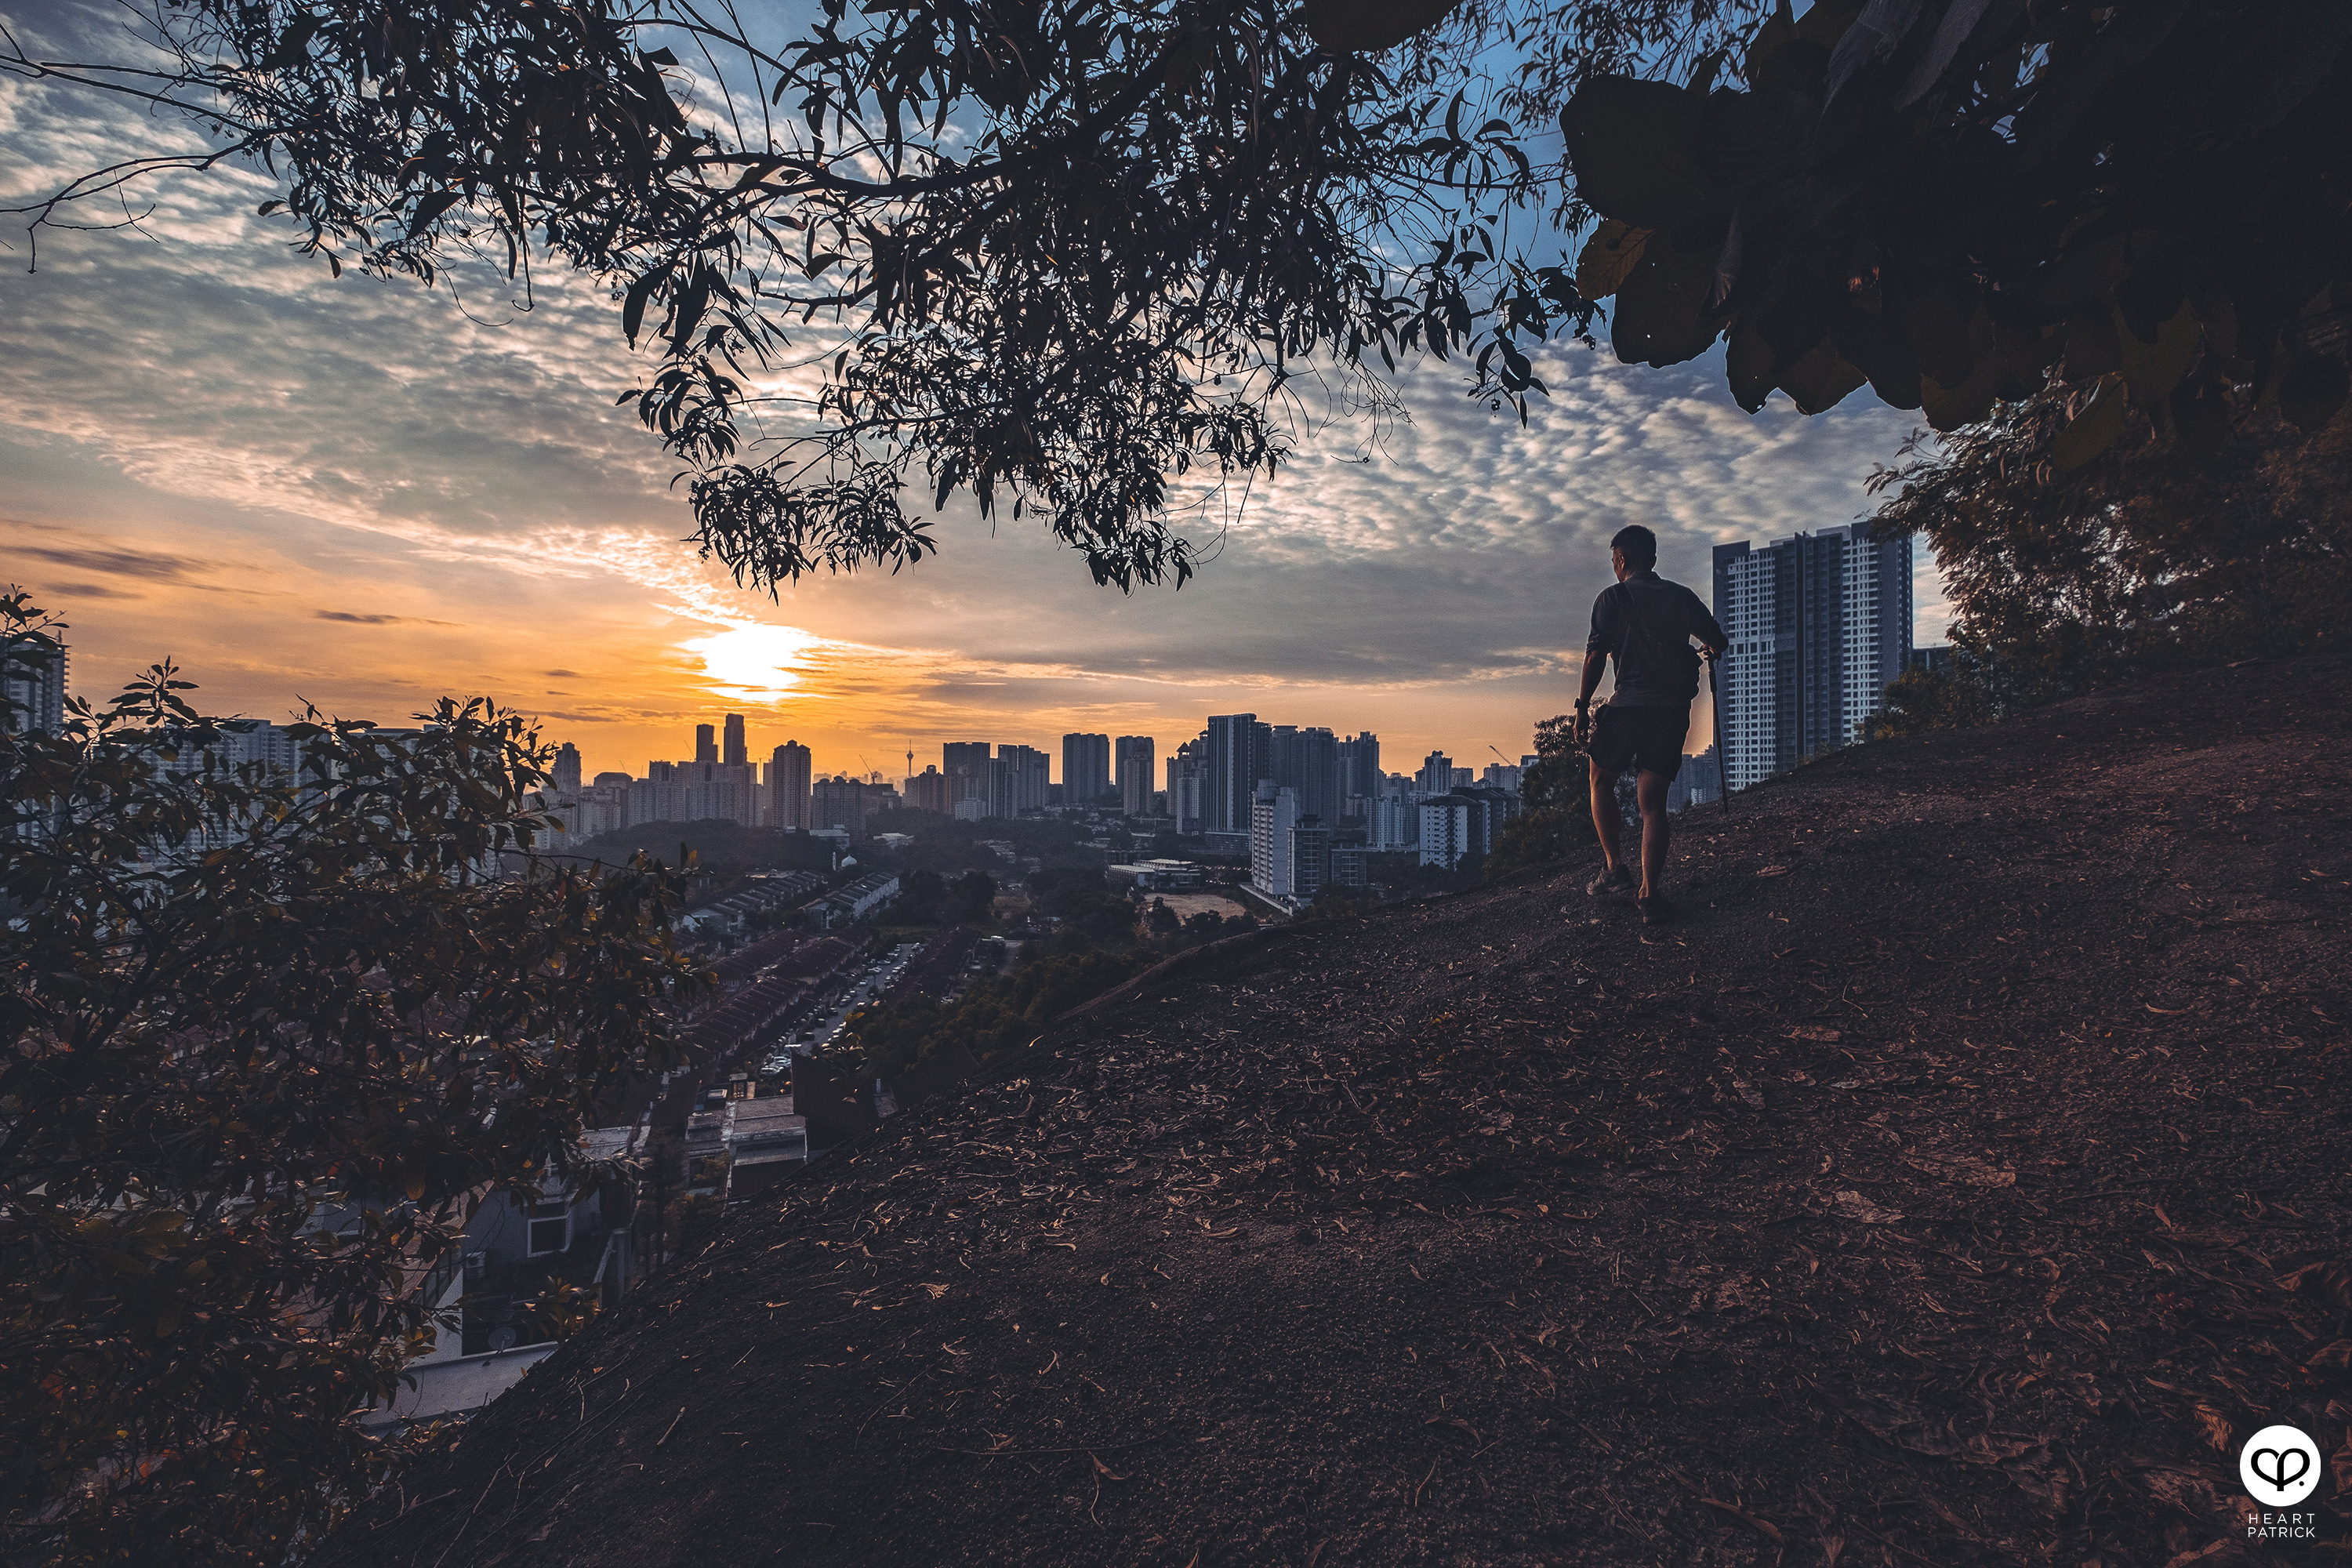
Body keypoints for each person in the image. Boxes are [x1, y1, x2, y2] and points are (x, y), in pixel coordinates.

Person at [1573, 524, 1728, 925]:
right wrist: (1704, 651)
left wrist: (1582, 707)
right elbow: (1718, 641)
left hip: (1628, 707)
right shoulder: (1681, 596)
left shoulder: (1614, 597)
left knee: (1600, 779)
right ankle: (1649, 894)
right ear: (1653, 558)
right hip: (1671, 711)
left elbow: (1594, 657)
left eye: (1613, 559)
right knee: (1652, 804)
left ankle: (1613, 868)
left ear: (1621, 559)